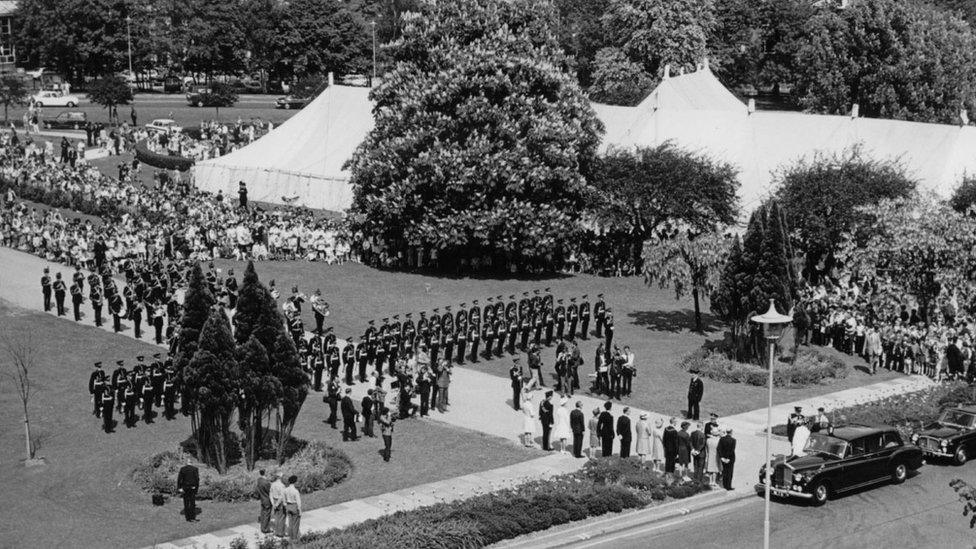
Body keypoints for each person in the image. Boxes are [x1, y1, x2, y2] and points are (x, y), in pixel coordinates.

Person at [177, 455, 200, 521]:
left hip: (185, 487)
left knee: (186, 502)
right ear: (191, 462)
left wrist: (179, 488)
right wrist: (196, 488)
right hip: (192, 487)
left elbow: (179, 479)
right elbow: (197, 479)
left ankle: (188, 517)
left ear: (186, 462)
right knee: (192, 502)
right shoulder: (195, 469)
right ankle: (192, 517)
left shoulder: (182, 469)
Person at [283, 474, 302, 541]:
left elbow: (284, 500)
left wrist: (286, 506)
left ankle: (290, 536)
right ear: (295, 482)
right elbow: (298, 502)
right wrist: (300, 511)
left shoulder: (285, 490)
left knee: (290, 523)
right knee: (296, 523)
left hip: (288, 506)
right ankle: (294, 538)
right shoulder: (295, 491)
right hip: (294, 506)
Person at [256, 469, 273, 534]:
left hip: (262, 499)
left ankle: (262, 527)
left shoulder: (259, 480)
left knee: (263, 514)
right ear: (265, 473)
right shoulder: (266, 483)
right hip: (267, 499)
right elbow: (270, 491)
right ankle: (265, 529)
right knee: (267, 515)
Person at [270, 471, 286, 536]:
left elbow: (270, 493)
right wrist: (277, 504)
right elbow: (281, 496)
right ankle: (280, 532)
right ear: (280, 477)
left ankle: (276, 531)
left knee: (276, 517)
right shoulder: (282, 486)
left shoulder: (273, 484)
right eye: (282, 476)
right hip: (280, 502)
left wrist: (273, 503)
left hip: (274, 500)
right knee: (282, 517)